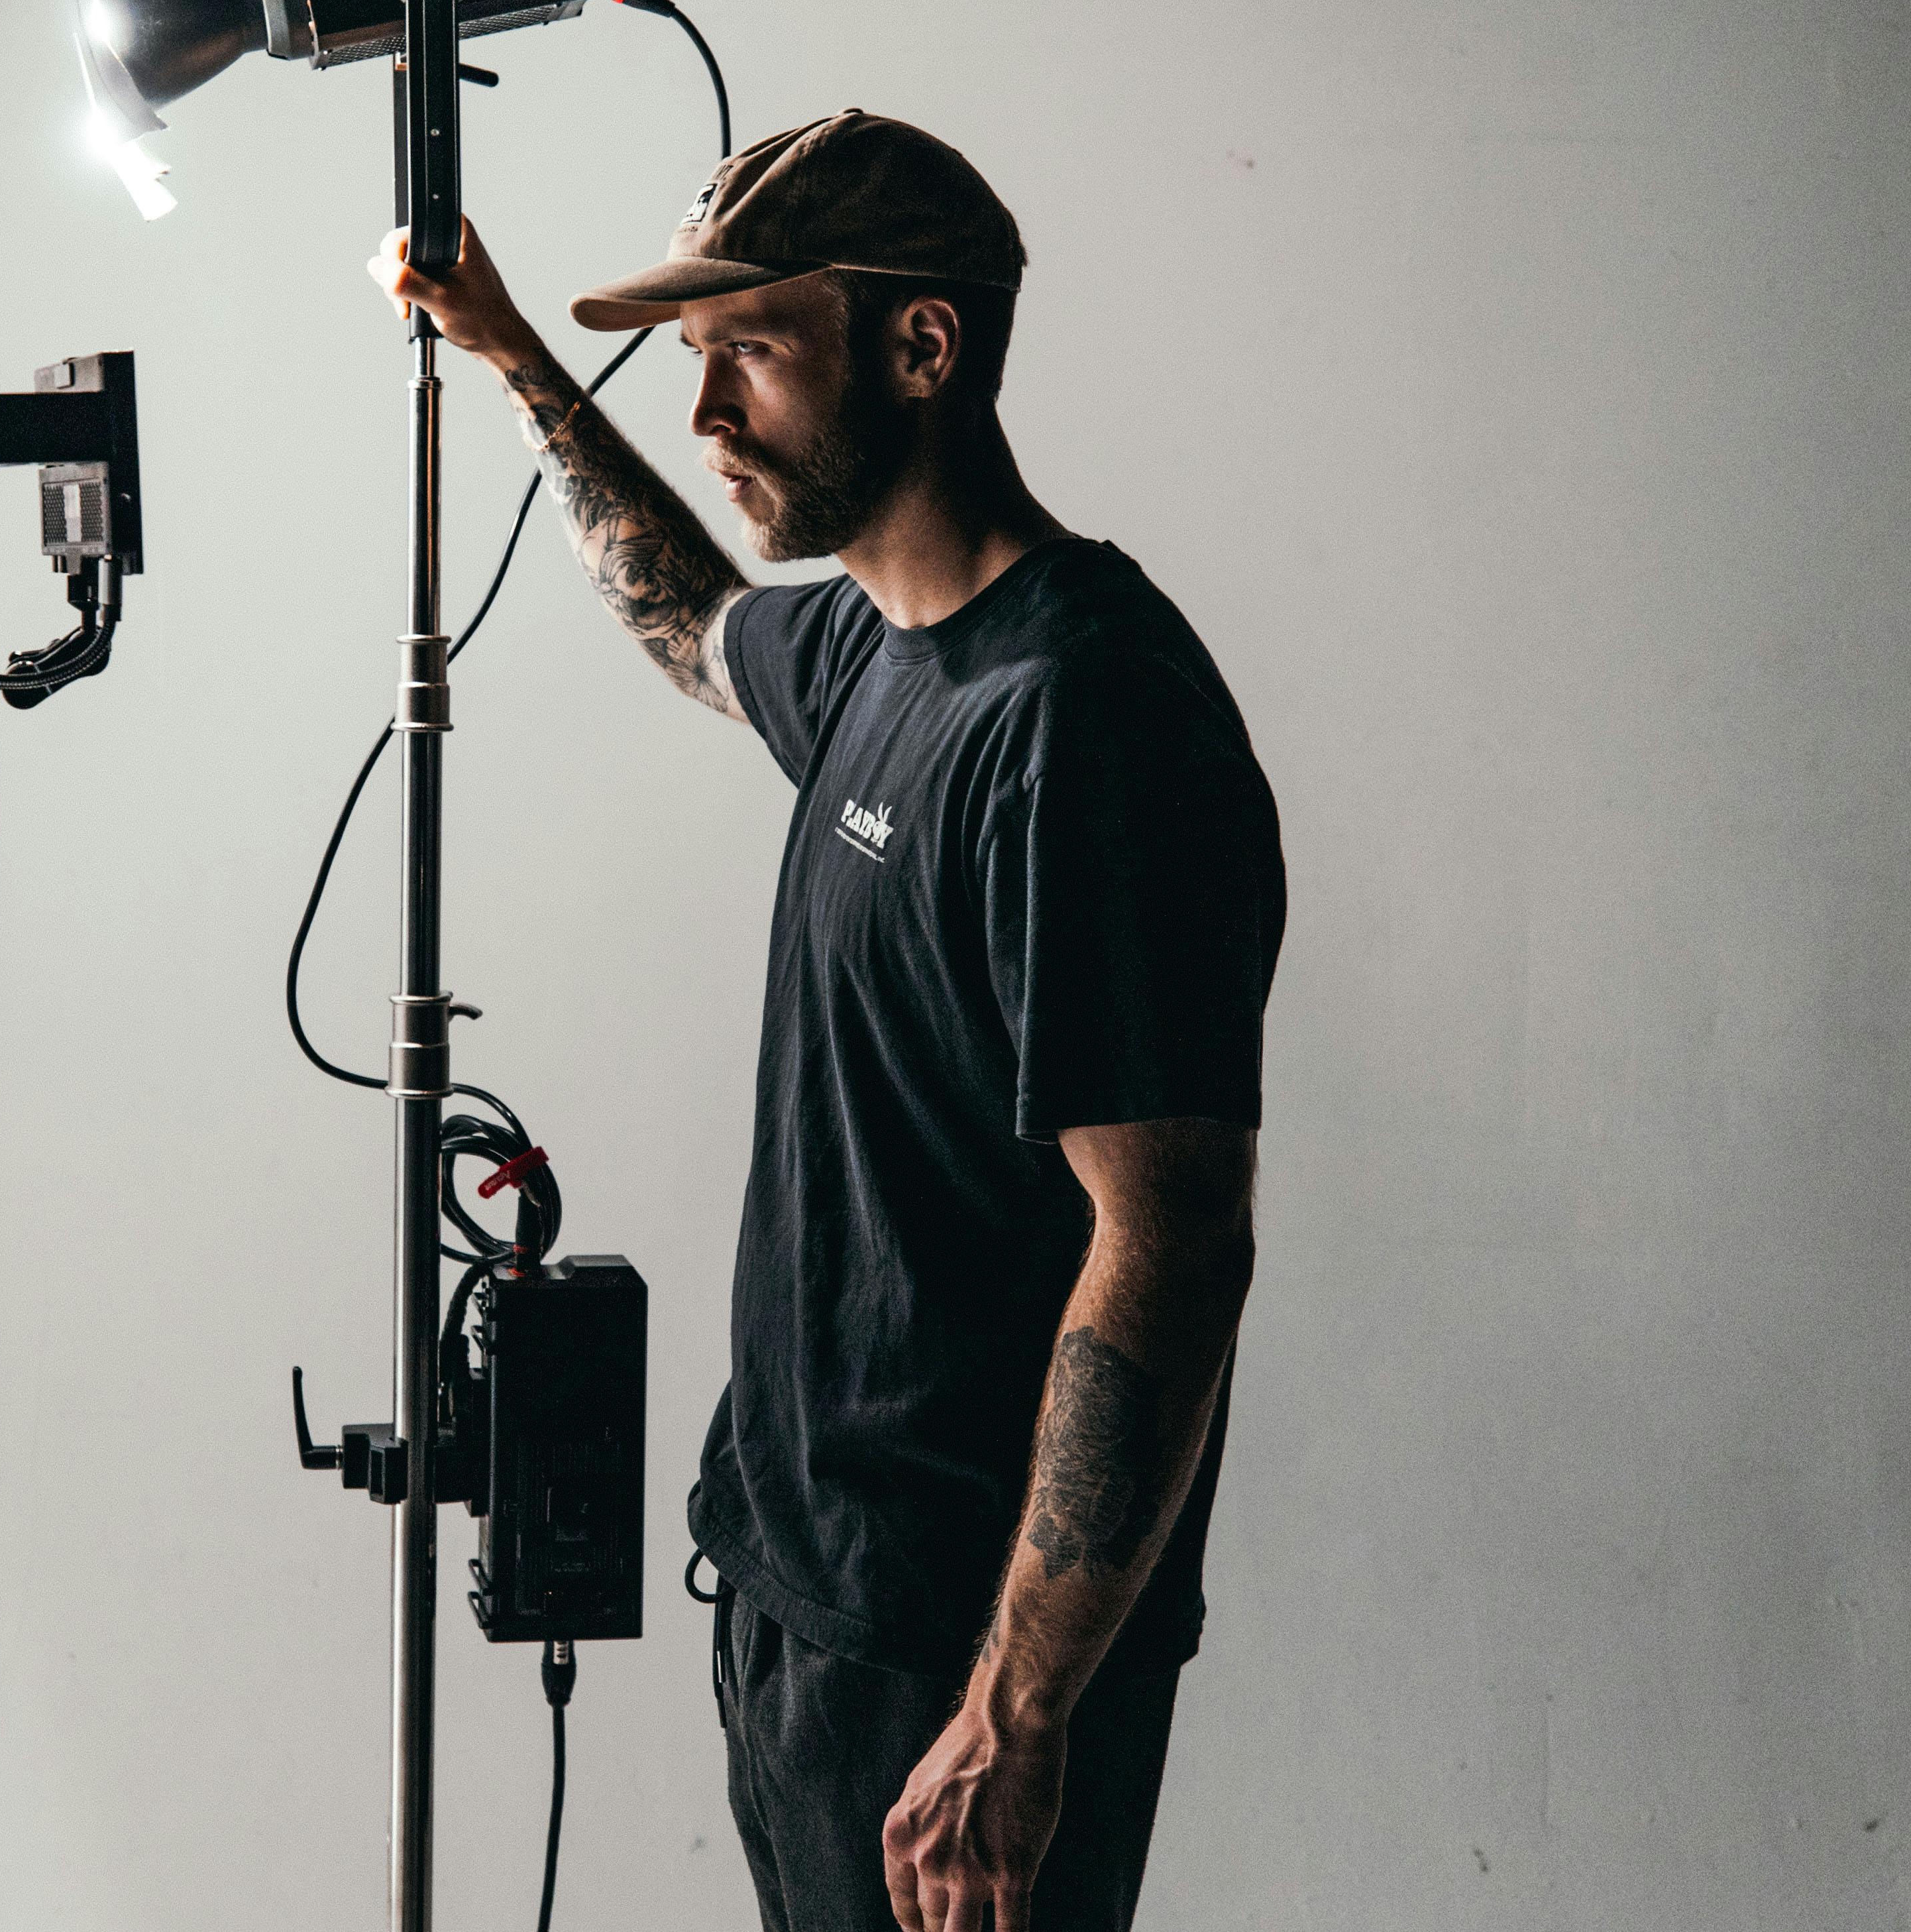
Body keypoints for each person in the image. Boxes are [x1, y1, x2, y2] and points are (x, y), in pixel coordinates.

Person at [370, 111, 1285, 1932]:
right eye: (700, 363)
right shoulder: (876, 652)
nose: (709, 413)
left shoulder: (1084, 721)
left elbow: (1174, 1245)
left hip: (951, 1667)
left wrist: (1016, 1719)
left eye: (756, 354)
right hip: (798, 1599)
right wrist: (514, 358)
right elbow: (698, 625)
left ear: (922, 348)